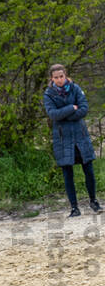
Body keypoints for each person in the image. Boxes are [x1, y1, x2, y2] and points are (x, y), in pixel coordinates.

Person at [44, 63, 102, 217]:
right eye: (56, 77)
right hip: (62, 139)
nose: (59, 80)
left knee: (88, 170)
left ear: (65, 75)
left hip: (80, 136)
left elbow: (84, 109)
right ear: (52, 78)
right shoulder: (48, 94)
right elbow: (53, 115)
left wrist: (65, 114)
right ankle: (74, 208)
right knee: (67, 173)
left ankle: (93, 201)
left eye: (61, 76)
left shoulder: (75, 88)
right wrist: (71, 108)